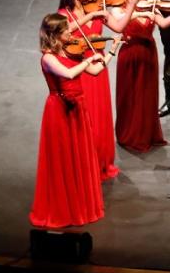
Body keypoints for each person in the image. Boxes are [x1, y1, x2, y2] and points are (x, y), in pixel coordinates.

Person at [30, 14, 115, 228]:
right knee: (63, 157)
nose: (71, 33)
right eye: (66, 31)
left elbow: (95, 71)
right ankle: (63, 205)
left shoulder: (70, 51)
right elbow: (68, 75)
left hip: (78, 108)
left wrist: (113, 51)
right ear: (55, 35)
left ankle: (79, 201)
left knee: (79, 155)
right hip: (59, 110)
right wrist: (87, 58)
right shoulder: (48, 58)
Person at [59, 0, 138, 180]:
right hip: (80, 69)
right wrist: (89, 17)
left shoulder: (96, 7)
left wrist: (131, 5)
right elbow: (64, 30)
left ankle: (101, 161)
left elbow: (119, 28)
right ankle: (84, 164)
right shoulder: (63, 13)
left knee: (100, 114)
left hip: (98, 68)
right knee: (87, 117)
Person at [111, 0, 170, 152]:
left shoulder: (149, 4)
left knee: (147, 94)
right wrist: (136, 9)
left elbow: (163, 23)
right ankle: (129, 134)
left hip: (148, 54)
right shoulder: (118, 9)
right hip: (130, 55)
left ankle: (148, 133)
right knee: (130, 95)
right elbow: (119, 24)